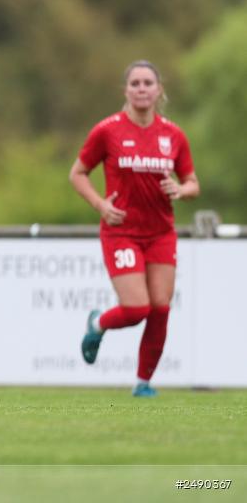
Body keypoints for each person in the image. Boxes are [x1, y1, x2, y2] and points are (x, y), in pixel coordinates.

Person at [71, 60, 199, 397]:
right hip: (122, 231)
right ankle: (97, 324)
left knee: (160, 307)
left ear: (159, 90)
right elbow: (77, 174)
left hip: (160, 233)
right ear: (125, 90)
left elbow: (192, 183)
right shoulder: (108, 131)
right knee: (136, 308)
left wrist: (181, 190)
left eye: (148, 83)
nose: (142, 89)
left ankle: (143, 383)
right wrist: (101, 205)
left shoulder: (173, 135)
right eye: (135, 83)